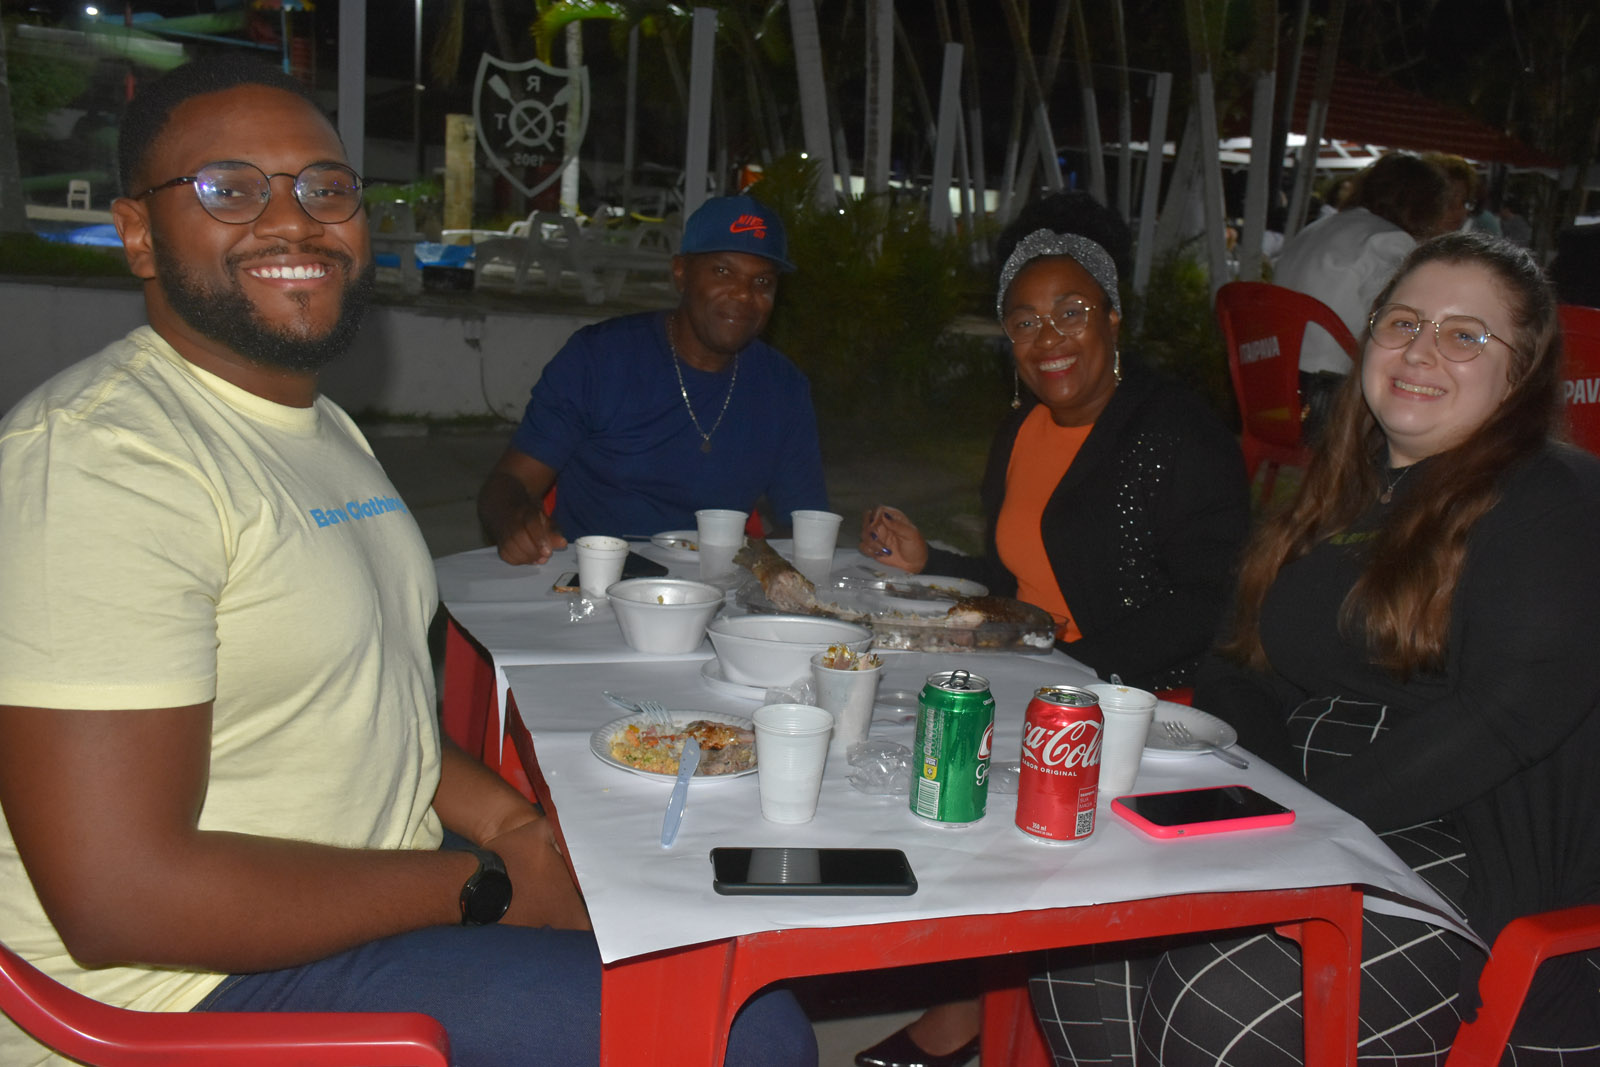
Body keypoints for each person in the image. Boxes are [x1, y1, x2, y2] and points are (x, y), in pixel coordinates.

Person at [0, 60, 816, 1067]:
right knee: (746, 1031)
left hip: (353, 885)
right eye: (229, 188)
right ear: (138, 233)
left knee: (700, 906)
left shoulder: (319, 427)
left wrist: (514, 826)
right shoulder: (104, 460)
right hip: (185, 990)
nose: (293, 219)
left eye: (325, 187)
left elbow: (368, 717)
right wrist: (483, 885)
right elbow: (119, 898)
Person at [1031, 231, 1600, 1063]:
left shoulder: (1553, 498)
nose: (1420, 350)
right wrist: (1260, 803)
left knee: (1215, 1000)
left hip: (1475, 861)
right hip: (1322, 817)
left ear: (1521, 372)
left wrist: (1297, 818)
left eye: (1464, 335)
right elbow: (1237, 656)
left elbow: (1506, 716)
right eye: (1402, 322)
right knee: (1082, 952)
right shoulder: (1344, 491)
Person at [852, 194, 1249, 1067]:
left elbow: (1214, 600)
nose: (1049, 338)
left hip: (1138, 700)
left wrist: (1068, 666)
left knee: (937, 766)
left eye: (1072, 311)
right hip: (1038, 672)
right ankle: (967, 992)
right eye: (1025, 321)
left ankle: (969, 1007)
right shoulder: (1021, 429)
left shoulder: (1174, 433)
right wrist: (934, 559)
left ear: (1113, 316)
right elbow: (1021, 580)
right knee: (874, 719)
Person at [478, 193, 829, 565]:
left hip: (717, 584)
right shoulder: (599, 359)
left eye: (762, 281)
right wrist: (515, 522)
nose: (744, 294)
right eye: (722, 272)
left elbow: (804, 525)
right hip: (595, 578)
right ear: (681, 273)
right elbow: (509, 483)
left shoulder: (783, 387)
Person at [1274, 152, 1450, 433]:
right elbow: (1399, 325)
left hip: (1272, 383)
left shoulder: (1317, 227)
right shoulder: (1389, 241)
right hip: (1325, 395)